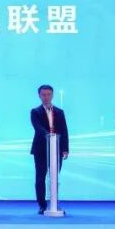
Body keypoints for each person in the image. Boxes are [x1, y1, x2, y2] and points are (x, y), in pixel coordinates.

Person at [30, 84, 69, 214]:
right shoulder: (35, 112)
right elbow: (38, 128)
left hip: (57, 149)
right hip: (41, 149)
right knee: (40, 177)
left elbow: (64, 130)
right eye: (43, 95)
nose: (46, 97)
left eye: (48, 94)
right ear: (39, 96)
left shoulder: (59, 112)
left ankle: (54, 203)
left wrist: (65, 148)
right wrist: (50, 136)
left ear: (52, 95)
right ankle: (42, 205)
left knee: (55, 177)